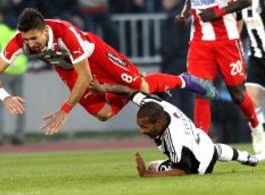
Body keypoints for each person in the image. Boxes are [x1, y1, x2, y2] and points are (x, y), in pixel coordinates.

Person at [0, 8, 216, 136]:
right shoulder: (19, 42)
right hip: (67, 67)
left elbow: (85, 76)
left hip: (96, 56)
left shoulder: (66, 34)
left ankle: (183, 80)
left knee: (142, 86)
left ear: (45, 30)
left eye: (34, 38)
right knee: (104, 114)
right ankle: (129, 91)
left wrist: (64, 110)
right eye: (26, 39)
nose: (31, 44)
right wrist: (5, 97)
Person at [88, 80, 258, 177]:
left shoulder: (174, 140)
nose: (142, 131)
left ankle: (244, 157)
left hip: (198, 168)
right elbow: (129, 91)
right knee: (215, 150)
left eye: (145, 127)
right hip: (204, 143)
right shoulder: (154, 104)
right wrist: (104, 88)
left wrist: (148, 175)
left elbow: (183, 170)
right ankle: (248, 158)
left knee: (154, 166)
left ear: (159, 124)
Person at [176, 0, 265, 157]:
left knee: (238, 94)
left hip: (227, 41)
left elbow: (246, 1)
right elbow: (190, 3)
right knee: (201, 90)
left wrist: (218, 13)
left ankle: (257, 129)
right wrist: (183, 15)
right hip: (200, 43)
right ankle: (200, 145)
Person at [0, 7, 28, 145]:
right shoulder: (21, 31)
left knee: (0, 105)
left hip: (3, 70)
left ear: (1, 16)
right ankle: (20, 136)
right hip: (20, 70)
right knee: (20, 105)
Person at [239, 0, 265, 160]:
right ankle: (261, 142)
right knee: (251, 102)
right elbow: (238, 28)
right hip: (256, 57)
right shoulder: (241, 3)